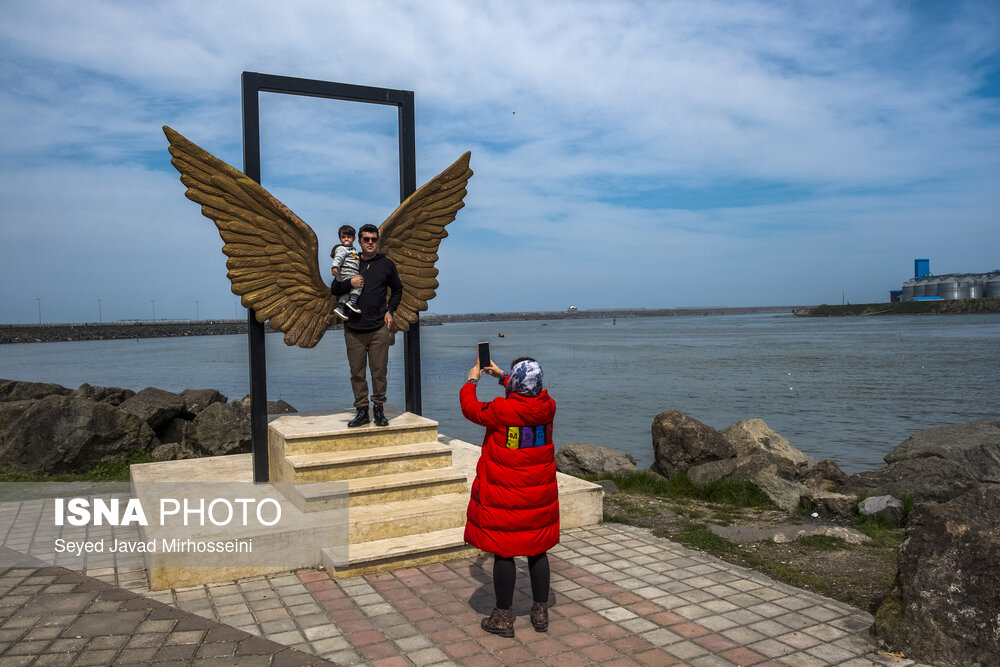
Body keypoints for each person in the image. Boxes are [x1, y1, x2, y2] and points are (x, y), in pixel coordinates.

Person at [462, 356, 559, 638]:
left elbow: (470, 409)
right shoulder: (548, 407)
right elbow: (528, 391)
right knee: (536, 550)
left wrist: (472, 380)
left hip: (506, 495)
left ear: (516, 385)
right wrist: (503, 375)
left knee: (504, 553)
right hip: (538, 494)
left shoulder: (501, 410)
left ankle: (503, 617)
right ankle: (540, 611)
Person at [330, 223, 402, 427]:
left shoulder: (387, 264)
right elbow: (335, 289)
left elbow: (397, 290)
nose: (370, 242)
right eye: (366, 239)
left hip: (379, 327)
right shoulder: (350, 260)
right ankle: (362, 411)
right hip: (353, 329)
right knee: (357, 373)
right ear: (359, 242)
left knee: (379, 372)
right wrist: (349, 284)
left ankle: (379, 410)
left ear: (377, 241)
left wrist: (391, 310)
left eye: (374, 239)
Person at [330, 225, 362, 321]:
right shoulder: (341, 249)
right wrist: (335, 266)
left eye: (349, 237)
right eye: (343, 237)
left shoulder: (353, 251)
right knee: (359, 283)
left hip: (347, 273)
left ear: (354, 238)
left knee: (347, 291)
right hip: (347, 272)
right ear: (340, 239)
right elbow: (338, 258)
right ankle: (352, 302)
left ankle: (340, 307)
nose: (346, 239)